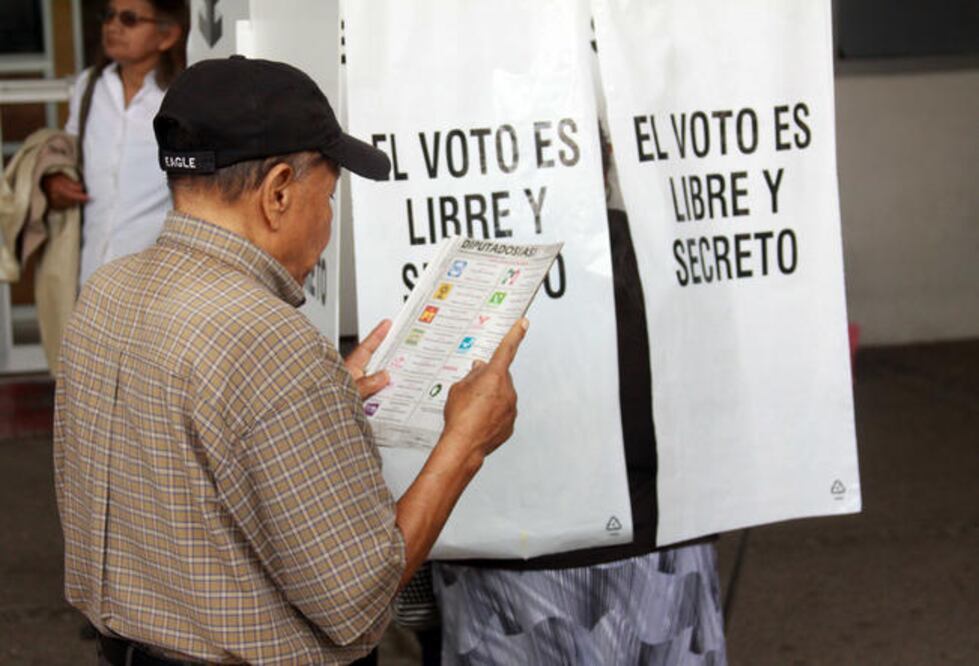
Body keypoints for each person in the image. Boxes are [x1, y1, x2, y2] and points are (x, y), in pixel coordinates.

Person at [53, 56, 527, 665]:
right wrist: (466, 443)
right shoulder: (270, 343)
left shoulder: (107, 291)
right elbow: (359, 601)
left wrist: (316, 404)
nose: (329, 221)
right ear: (278, 192)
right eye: (328, 196)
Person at [431, 132, 727, 665]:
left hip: (510, 572)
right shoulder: (659, 258)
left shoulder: (454, 264)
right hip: (644, 559)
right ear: (606, 165)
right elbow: (702, 417)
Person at [44, 0, 188, 286]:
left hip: (156, 278)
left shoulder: (181, 97)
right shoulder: (90, 86)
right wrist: (55, 180)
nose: (113, 26)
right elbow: (71, 154)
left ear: (167, 35)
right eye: (109, 16)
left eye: (129, 19)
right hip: (90, 273)